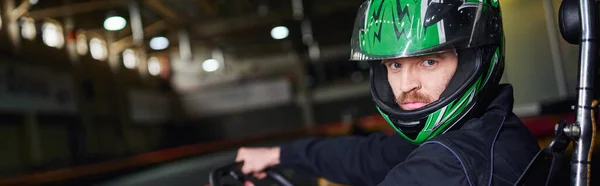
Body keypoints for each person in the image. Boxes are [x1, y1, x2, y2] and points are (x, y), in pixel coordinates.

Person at [236, 0, 540, 185]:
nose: (406, 85)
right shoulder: (489, 131)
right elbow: (370, 156)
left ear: (478, 57)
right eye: (395, 65)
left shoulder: (450, 167)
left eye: (429, 61)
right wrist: (278, 155)